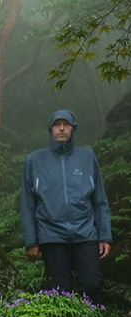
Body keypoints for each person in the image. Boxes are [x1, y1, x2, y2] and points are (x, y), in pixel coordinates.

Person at [21, 110, 114, 303]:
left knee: (92, 283)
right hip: (51, 234)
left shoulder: (87, 156)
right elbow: (28, 204)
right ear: (51, 129)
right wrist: (31, 242)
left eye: (66, 124)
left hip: (85, 232)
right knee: (59, 290)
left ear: (73, 128)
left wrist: (105, 235)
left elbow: (100, 201)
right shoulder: (35, 160)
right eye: (57, 125)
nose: (61, 128)